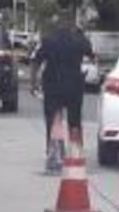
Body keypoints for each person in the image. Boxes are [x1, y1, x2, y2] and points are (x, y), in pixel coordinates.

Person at [30, 17, 94, 174]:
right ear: (72, 26)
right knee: (75, 121)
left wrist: (34, 83)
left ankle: (54, 153)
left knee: (52, 120)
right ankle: (75, 152)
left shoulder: (48, 40)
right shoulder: (79, 40)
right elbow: (91, 54)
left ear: (56, 25)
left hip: (52, 85)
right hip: (74, 85)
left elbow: (36, 61)